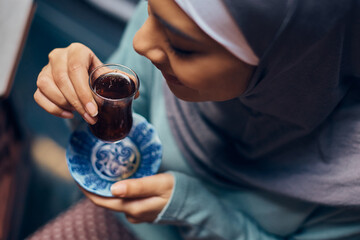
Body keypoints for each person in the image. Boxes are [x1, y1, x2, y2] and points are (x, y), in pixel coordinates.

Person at [33, 0, 360, 239]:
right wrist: (85, 99)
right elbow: (120, 138)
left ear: (290, 63)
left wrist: (193, 208)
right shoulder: (172, 15)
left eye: (183, 48)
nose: (141, 42)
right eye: (149, 9)